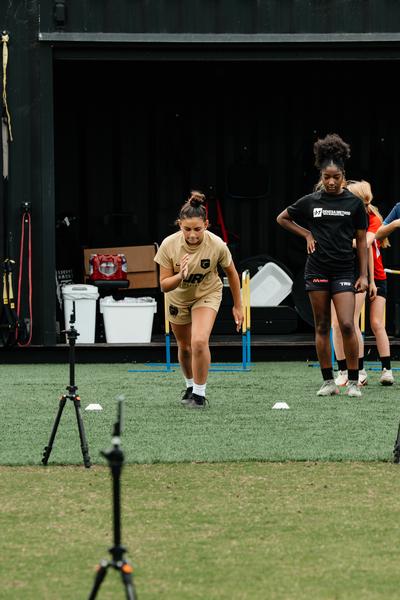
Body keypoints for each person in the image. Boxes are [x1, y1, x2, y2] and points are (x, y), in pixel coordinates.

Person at [276, 133, 368, 397]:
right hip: (316, 270)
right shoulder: (311, 201)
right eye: (326, 177)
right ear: (321, 176)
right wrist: (306, 233)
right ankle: (328, 381)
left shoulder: (354, 203)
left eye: (335, 177)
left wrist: (363, 275)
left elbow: (361, 242)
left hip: (343, 271)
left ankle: (352, 381)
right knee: (321, 326)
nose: (330, 181)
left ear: (343, 175)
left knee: (348, 324)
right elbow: (282, 218)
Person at [154, 191, 243, 408]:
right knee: (184, 347)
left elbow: (231, 273)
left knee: (199, 341)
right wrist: (180, 276)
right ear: (179, 225)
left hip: (207, 294)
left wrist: (238, 306)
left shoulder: (217, 245)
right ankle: (190, 386)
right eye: (187, 229)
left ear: (206, 224)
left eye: (197, 229)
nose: (192, 235)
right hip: (178, 297)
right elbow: (164, 285)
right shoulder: (169, 245)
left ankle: (200, 396)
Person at [333, 180, 393, 386]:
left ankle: (378, 369)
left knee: (372, 323)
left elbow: (366, 246)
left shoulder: (372, 219)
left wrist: (371, 280)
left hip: (369, 276)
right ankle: (344, 370)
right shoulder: (347, 215)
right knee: (337, 324)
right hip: (347, 273)